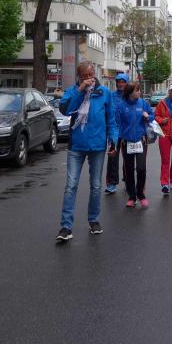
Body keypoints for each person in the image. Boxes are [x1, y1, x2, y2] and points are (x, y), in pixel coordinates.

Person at [56, 61, 118, 242]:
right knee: (71, 186)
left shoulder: (104, 93)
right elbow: (66, 110)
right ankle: (66, 227)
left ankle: (94, 220)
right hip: (77, 145)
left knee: (96, 186)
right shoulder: (72, 91)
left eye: (91, 75)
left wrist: (113, 141)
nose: (89, 78)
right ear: (79, 77)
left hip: (97, 145)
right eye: (85, 76)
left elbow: (111, 119)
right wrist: (80, 90)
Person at [118, 82, 151, 208]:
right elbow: (118, 123)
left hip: (141, 140)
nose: (139, 92)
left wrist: (148, 116)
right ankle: (132, 196)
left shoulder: (143, 103)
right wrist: (119, 139)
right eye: (137, 91)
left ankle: (141, 194)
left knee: (141, 168)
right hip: (126, 141)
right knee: (129, 169)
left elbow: (152, 116)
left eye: (139, 90)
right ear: (130, 92)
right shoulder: (121, 105)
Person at [105, 72, 129, 195]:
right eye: (119, 82)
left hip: (127, 131)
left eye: (123, 82)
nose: (120, 84)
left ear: (127, 83)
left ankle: (128, 180)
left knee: (128, 157)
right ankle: (111, 183)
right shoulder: (111, 95)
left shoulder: (130, 96)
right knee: (112, 158)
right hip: (113, 131)